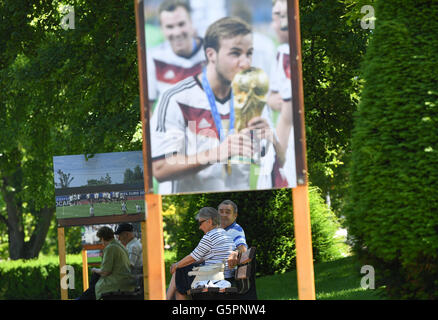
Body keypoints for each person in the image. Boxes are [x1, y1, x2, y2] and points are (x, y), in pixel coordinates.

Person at [150, 17, 278, 194]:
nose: (245, 62)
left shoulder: (255, 99)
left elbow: (268, 162)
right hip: (189, 208)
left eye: (249, 53)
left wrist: (268, 141)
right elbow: (160, 169)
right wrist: (217, 153)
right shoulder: (175, 98)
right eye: (235, 53)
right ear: (211, 54)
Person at [166, 207, 236, 300]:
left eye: (200, 223)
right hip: (226, 274)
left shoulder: (210, 236)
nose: (199, 227)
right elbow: (203, 257)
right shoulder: (225, 234)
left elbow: (193, 257)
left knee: (179, 275)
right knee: (180, 275)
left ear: (209, 221)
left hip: (214, 276)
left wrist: (176, 265)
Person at [147, 0, 205, 109]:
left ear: (191, 23)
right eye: (170, 27)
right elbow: (147, 109)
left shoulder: (211, 53)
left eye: (181, 24)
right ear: (161, 29)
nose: (177, 32)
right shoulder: (153, 58)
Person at [77, 226, 135, 300]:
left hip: (116, 283)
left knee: (94, 281)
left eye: (100, 240)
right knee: (92, 288)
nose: (101, 243)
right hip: (125, 281)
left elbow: (105, 272)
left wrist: (94, 269)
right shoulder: (121, 246)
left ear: (103, 238)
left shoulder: (110, 248)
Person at [218, 200, 247, 268]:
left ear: (235, 216)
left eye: (227, 212)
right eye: (221, 212)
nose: (223, 215)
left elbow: (242, 247)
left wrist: (235, 253)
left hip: (223, 275)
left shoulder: (236, 230)